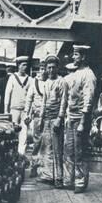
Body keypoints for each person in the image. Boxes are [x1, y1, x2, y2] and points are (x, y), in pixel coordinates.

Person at [63, 45, 97, 193]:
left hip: (81, 119)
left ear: (83, 57)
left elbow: (88, 100)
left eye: (76, 55)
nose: (73, 57)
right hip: (71, 117)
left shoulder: (89, 75)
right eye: (74, 54)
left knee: (80, 152)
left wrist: (83, 122)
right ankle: (69, 180)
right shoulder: (76, 74)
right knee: (69, 150)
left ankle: (80, 182)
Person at [36, 55, 68, 187]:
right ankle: (48, 176)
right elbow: (44, 102)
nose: (50, 70)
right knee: (46, 148)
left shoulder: (62, 82)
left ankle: (59, 178)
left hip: (56, 119)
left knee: (57, 149)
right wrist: (41, 118)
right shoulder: (47, 82)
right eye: (48, 67)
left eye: (53, 67)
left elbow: (64, 102)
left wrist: (60, 118)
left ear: (57, 68)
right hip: (47, 118)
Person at [24, 60, 48, 176]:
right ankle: (34, 166)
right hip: (38, 117)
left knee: (47, 143)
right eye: (41, 69)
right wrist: (27, 113)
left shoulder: (50, 82)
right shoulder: (35, 83)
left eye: (45, 69)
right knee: (37, 142)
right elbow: (29, 99)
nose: (43, 71)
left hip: (48, 117)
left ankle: (44, 169)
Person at [4, 56, 31, 154]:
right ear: (19, 66)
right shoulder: (12, 78)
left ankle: (21, 155)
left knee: (24, 134)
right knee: (12, 132)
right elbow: (7, 94)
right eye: (23, 65)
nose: (25, 67)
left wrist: (29, 112)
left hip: (24, 110)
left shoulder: (30, 79)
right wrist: (6, 111)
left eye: (26, 65)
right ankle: (12, 153)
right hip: (14, 110)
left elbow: (30, 97)